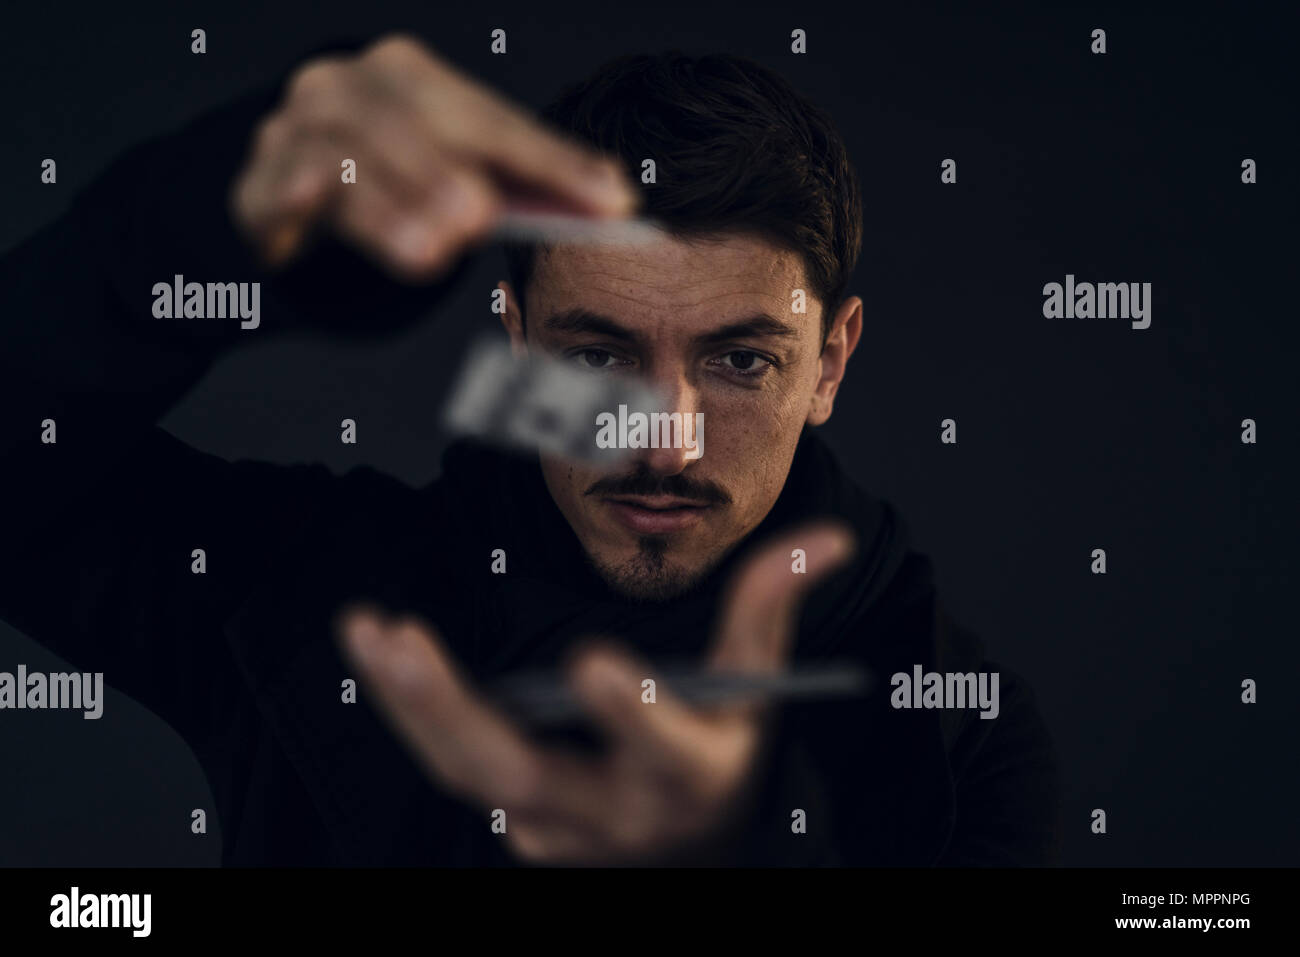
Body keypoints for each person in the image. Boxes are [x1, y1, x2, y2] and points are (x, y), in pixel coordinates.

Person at [0, 34, 1061, 865]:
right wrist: (203, 219)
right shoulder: (300, 594)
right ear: (514, 335)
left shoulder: (960, 734)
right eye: (596, 358)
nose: (663, 439)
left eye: (741, 361)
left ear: (829, 363)